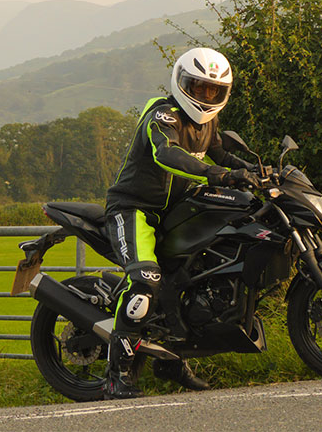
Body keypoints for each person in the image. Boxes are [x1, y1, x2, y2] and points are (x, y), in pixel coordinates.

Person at [103, 47, 261, 399]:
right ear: (179, 81)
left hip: (176, 211)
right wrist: (216, 175)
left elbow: (220, 154)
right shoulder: (163, 116)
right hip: (134, 209)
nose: (205, 97)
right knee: (146, 282)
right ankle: (117, 376)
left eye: (213, 91)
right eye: (198, 87)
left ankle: (172, 361)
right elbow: (167, 154)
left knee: (192, 275)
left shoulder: (208, 124)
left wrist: (253, 172)